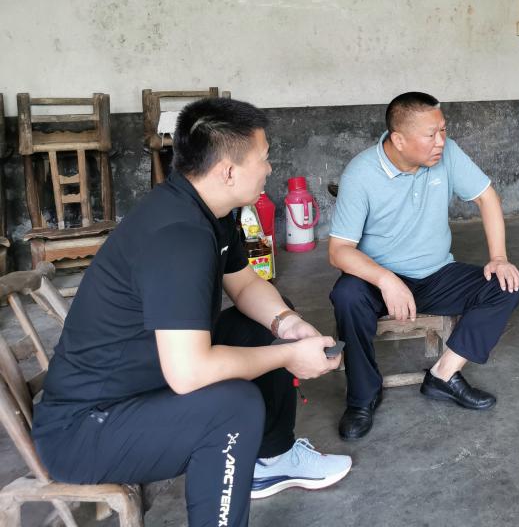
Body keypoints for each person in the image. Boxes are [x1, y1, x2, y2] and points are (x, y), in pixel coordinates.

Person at [32, 98, 352, 527]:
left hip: (144, 386)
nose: (270, 168)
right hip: (87, 429)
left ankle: (270, 459)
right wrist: (288, 356)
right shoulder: (179, 237)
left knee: (262, 323)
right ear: (228, 171)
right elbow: (189, 372)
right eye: (264, 158)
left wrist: (288, 326)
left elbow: (244, 284)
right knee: (232, 408)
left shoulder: (210, 211)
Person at [329, 92, 519, 439]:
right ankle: (362, 397)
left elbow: (486, 197)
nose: (441, 141)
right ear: (399, 139)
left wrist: (498, 257)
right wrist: (386, 279)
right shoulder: (361, 173)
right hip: (378, 279)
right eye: (431, 134)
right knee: (347, 295)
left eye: (443, 130)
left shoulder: (447, 154)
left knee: (505, 285)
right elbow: (339, 251)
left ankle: (443, 375)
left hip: (436, 274)